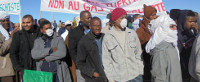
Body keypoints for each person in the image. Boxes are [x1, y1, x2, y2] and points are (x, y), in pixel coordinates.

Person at [102, 8, 143, 82]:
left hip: (135, 75)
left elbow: (138, 54)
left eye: (125, 17)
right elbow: (106, 60)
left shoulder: (132, 33)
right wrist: (111, 78)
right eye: (122, 18)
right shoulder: (108, 37)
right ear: (115, 20)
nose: (125, 20)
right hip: (119, 78)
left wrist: (140, 71)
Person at [145, 15, 182, 82]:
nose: (175, 29)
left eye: (175, 26)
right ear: (161, 30)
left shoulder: (172, 45)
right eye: (171, 26)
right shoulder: (161, 51)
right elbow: (159, 77)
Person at [76, 17, 107, 82]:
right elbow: (79, 63)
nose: (97, 28)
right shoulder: (84, 41)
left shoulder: (105, 37)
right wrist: (92, 73)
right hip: (94, 78)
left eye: (99, 25)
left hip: (107, 74)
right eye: (95, 26)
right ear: (90, 26)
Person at [10, 15, 40, 81]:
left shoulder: (40, 34)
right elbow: (13, 53)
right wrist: (18, 68)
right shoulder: (18, 35)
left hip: (39, 69)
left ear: (33, 22)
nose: (25, 25)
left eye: (28, 22)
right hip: (25, 70)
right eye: (23, 22)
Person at [68, 11, 92, 82]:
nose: (90, 20)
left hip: (94, 66)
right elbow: (72, 50)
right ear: (82, 19)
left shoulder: (94, 30)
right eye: (88, 18)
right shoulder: (74, 32)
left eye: (91, 18)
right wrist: (79, 64)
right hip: (81, 68)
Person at [136, 4, 157, 82]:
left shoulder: (156, 27)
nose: (155, 17)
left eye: (155, 15)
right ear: (147, 16)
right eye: (153, 15)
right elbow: (136, 47)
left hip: (155, 61)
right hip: (146, 61)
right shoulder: (140, 31)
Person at [177, 10, 198, 82]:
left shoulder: (190, 33)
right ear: (183, 21)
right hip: (181, 72)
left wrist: (196, 33)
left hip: (191, 70)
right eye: (190, 22)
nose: (193, 24)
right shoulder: (175, 36)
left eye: (195, 21)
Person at [0, 11, 19, 82]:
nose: (6, 22)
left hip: (16, 67)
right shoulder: (6, 35)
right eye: (3, 21)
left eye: (7, 20)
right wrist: (11, 38)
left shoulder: (11, 32)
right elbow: (1, 51)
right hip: (5, 70)